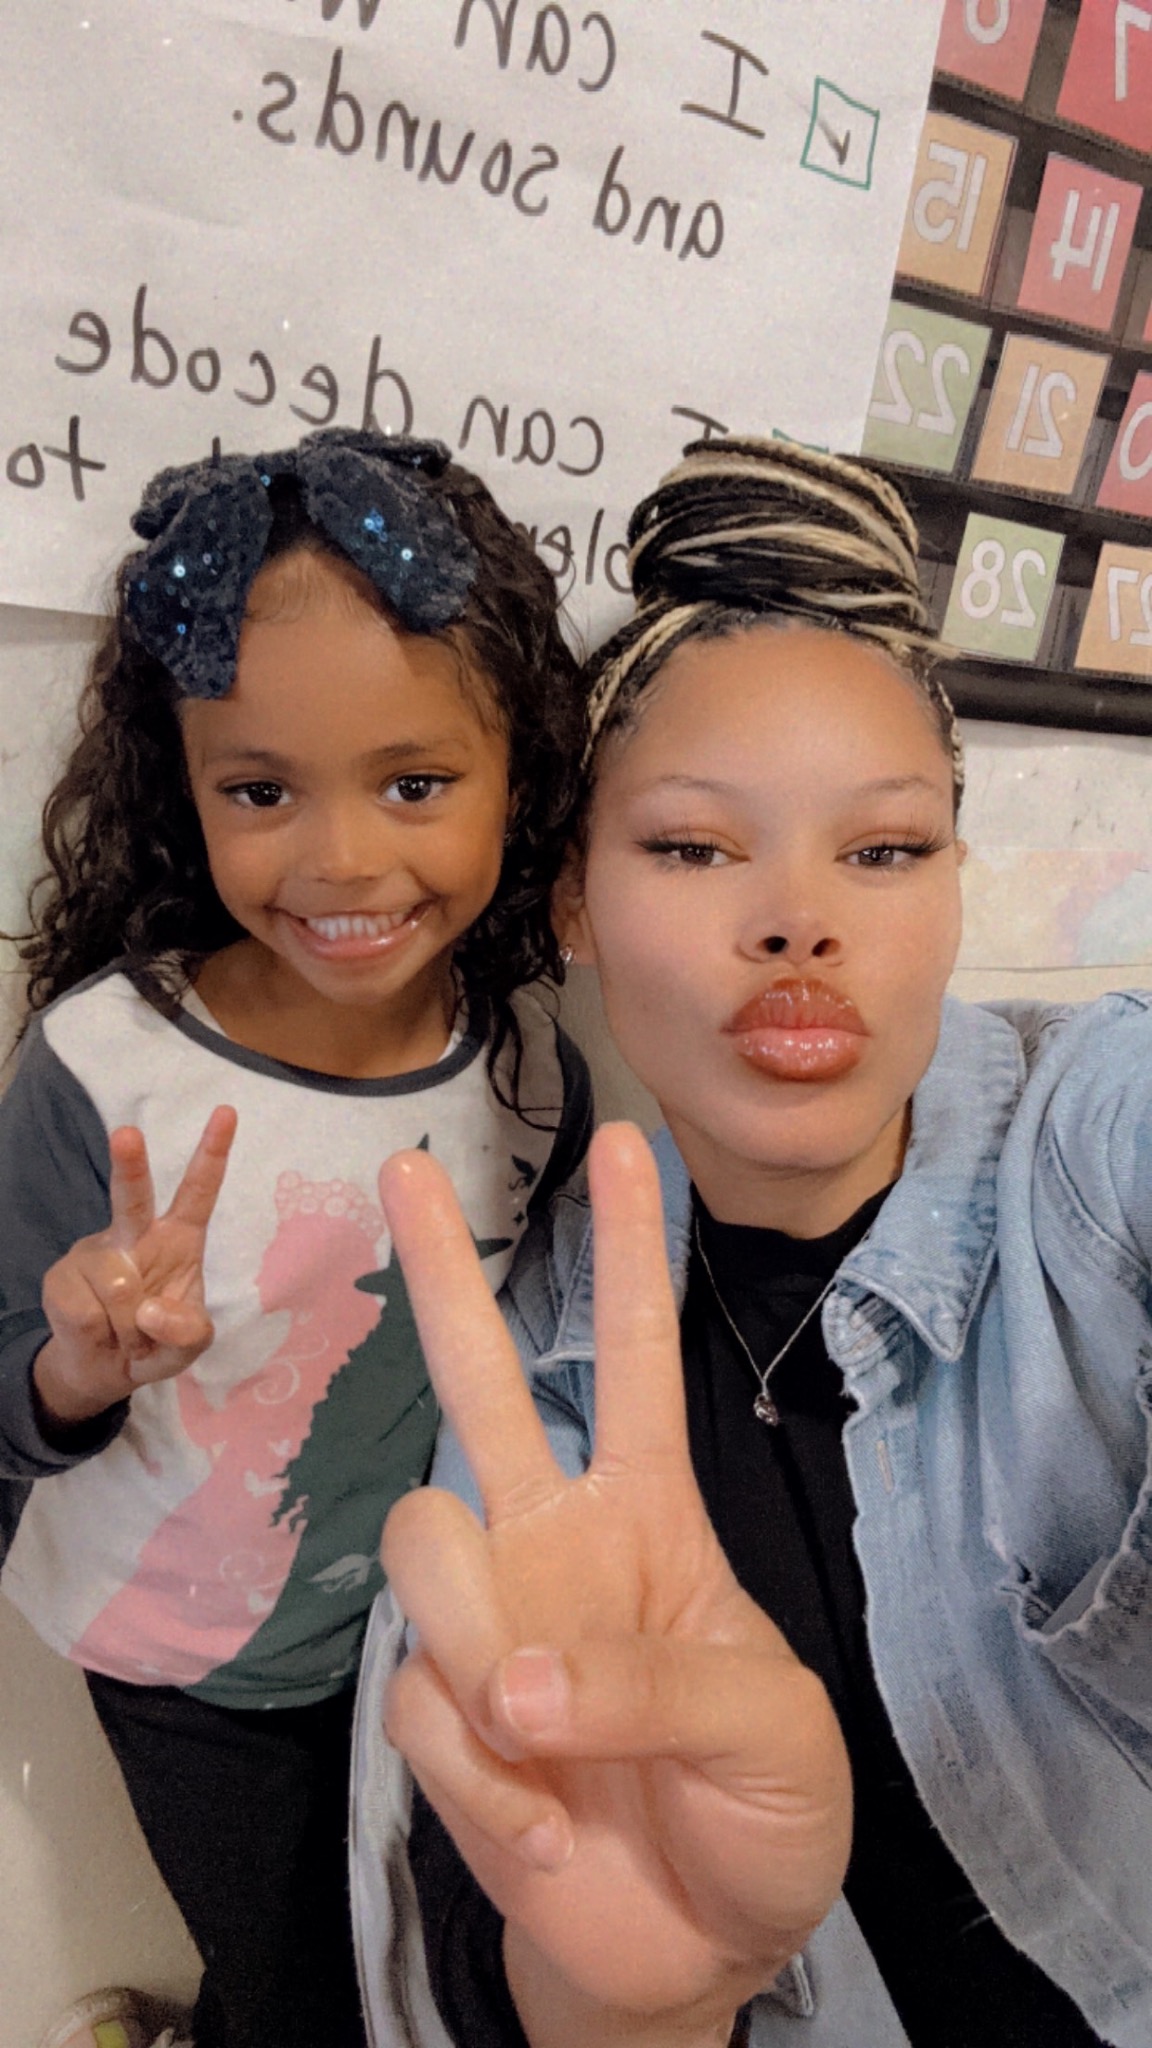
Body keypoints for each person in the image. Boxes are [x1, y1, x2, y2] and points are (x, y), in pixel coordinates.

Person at [353, 437, 1152, 2047]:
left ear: (954, 885)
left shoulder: (1094, 1143)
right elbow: (479, 1935)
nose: (800, 919)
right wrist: (639, 1989)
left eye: (884, 850)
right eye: (696, 847)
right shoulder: (537, 1373)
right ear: (570, 900)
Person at [0, 426, 592, 2048]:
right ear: (184, 789)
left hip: (415, 1640)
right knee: (292, 1992)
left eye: (415, 784)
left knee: (426, 1970)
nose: (342, 860)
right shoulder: (106, 1068)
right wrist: (74, 1367)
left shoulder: (533, 1072)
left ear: (521, 779)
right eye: (261, 791)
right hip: (184, 1668)